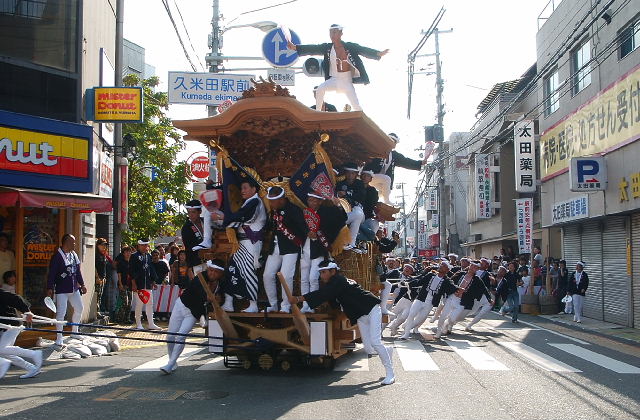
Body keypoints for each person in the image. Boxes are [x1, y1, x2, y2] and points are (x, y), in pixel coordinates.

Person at [289, 260, 396, 385]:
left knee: (375, 342)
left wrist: (298, 299)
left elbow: (324, 294)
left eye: (324, 272)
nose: (321, 275)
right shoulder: (333, 284)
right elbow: (332, 300)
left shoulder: (338, 280)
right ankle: (387, 350)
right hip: (361, 316)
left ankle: (390, 374)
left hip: (372, 310)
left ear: (333, 271)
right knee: (369, 349)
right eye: (320, 273)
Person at [288, 24, 389, 112]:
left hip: (347, 81)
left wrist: (378, 53)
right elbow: (313, 48)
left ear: (341, 33)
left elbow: (363, 50)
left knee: (357, 107)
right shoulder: (327, 48)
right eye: (330, 32)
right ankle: (318, 113)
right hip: (334, 79)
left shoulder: (350, 47)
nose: (332, 35)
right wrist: (296, 47)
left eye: (335, 32)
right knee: (320, 89)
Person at [211, 179, 266, 313]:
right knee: (232, 269)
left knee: (249, 272)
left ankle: (253, 304)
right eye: (241, 188)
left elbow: (245, 218)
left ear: (254, 189)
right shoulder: (248, 202)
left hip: (252, 243)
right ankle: (229, 302)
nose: (242, 191)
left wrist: (223, 219)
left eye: (245, 188)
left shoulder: (256, 202)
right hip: (241, 243)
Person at [160, 260, 220, 374]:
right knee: (170, 336)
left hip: (193, 313)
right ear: (208, 269)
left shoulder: (219, 284)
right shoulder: (200, 277)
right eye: (211, 270)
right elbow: (199, 291)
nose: (212, 273)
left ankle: (171, 364)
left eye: (216, 272)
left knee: (181, 336)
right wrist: (208, 297)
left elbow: (214, 301)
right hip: (181, 305)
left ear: (220, 274)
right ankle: (171, 361)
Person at [262, 187, 308, 313]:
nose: (270, 203)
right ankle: (273, 304)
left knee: (286, 276)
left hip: (291, 247)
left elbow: (303, 229)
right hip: (275, 247)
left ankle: (286, 306)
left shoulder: (294, 210)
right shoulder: (274, 211)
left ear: (281, 199)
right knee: (267, 275)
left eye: (273, 201)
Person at [300, 191, 347, 313]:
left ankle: (313, 305)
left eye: (314, 200)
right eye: (310, 200)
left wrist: (338, 205)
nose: (311, 203)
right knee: (304, 278)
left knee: (313, 278)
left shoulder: (327, 212)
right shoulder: (305, 212)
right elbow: (300, 226)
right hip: (305, 248)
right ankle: (305, 305)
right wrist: (307, 232)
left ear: (320, 201)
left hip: (319, 249)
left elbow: (342, 219)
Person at [400, 260, 457, 339]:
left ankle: (407, 328)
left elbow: (453, 288)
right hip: (420, 299)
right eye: (441, 264)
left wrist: (459, 289)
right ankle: (406, 334)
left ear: (447, 270)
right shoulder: (430, 275)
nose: (441, 266)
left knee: (419, 320)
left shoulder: (447, 281)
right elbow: (419, 281)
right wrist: (407, 283)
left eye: (443, 266)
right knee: (411, 314)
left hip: (430, 303)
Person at [47, 234, 86, 346]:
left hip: (74, 288)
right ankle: (59, 337)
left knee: (79, 308)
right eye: (73, 242)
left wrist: (82, 284)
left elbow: (77, 272)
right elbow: (52, 274)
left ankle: (75, 331)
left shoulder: (73, 254)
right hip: (61, 289)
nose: (74, 244)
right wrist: (50, 287)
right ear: (67, 243)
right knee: (61, 313)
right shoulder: (57, 256)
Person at [367, 133, 424, 204]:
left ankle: (371, 200)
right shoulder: (378, 149)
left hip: (379, 179)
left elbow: (406, 161)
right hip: (369, 175)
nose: (392, 143)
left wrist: (420, 163)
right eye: (391, 140)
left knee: (385, 191)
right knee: (387, 179)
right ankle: (387, 201)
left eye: (394, 142)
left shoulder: (394, 155)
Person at [0, 289, 42, 379]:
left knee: (2, 349)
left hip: (12, 325)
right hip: (5, 327)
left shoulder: (1, 294)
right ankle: (32, 368)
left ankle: (34, 354)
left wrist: (26, 311)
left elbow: (15, 298)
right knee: (5, 352)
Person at [129, 239, 160, 330]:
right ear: (138, 246)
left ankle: (151, 323)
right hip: (139, 284)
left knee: (150, 303)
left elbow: (151, 269)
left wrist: (153, 281)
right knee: (139, 304)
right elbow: (131, 271)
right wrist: (133, 283)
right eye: (143, 245)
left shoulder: (148, 256)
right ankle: (138, 324)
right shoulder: (134, 256)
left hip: (148, 283)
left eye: (146, 245)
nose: (145, 247)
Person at [336, 163, 365, 250]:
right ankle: (350, 244)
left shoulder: (359, 184)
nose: (350, 175)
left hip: (356, 210)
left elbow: (360, 197)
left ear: (356, 174)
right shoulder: (340, 183)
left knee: (358, 214)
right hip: (342, 210)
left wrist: (346, 194)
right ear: (345, 173)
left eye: (353, 173)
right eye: (348, 172)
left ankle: (351, 242)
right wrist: (338, 194)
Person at [181, 199, 205, 267]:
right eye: (189, 212)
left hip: (210, 259)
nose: (191, 215)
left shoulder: (206, 222)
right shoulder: (186, 227)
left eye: (193, 212)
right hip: (195, 261)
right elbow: (188, 248)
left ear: (200, 211)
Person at [358, 166, 379, 242]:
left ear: (370, 179)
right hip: (356, 214)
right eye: (363, 175)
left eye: (367, 176)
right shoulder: (356, 187)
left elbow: (373, 205)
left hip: (368, 217)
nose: (365, 177)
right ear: (361, 176)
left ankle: (366, 242)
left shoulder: (373, 191)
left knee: (373, 225)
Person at [95, 238, 114, 316]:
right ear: (98, 245)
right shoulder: (96, 255)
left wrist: (104, 277)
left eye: (105, 245)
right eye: (102, 245)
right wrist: (97, 277)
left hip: (103, 278)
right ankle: (96, 312)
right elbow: (94, 267)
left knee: (100, 296)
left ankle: (98, 311)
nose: (104, 247)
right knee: (97, 296)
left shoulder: (103, 255)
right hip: (98, 279)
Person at [114, 246, 133, 323]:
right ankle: (119, 318)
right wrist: (120, 284)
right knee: (124, 301)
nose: (128, 253)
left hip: (130, 285)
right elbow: (119, 274)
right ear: (123, 253)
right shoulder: (121, 262)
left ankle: (127, 318)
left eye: (129, 252)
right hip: (123, 284)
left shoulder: (132, 262)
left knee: (130, 302)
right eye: (126, 252)